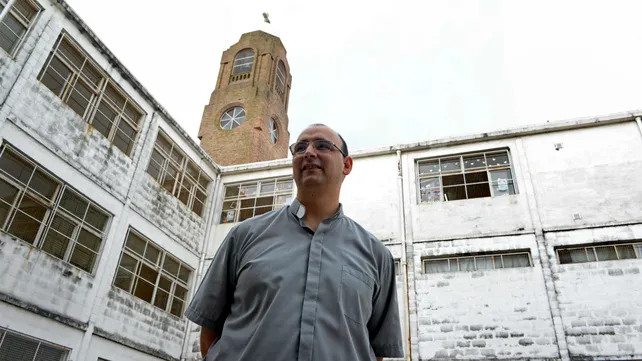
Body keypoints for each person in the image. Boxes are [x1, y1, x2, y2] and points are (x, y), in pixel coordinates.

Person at [184, 124, 404, 361]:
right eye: (300, 148)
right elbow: (209, 333)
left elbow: (376, 349)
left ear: (347, 165)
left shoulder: (376, 256)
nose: (309, 152)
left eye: (322, 146)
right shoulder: (245, 236)